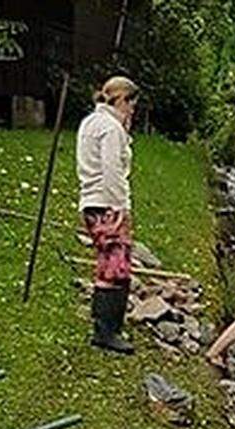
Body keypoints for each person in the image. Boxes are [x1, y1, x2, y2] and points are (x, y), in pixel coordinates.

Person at [77, 75, 140, 354]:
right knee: (114, 268)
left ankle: (108, 328)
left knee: (109, 263)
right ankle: (106, 331)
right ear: (122, 100)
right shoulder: (110, 128)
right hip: (107, 202)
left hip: (91, 200)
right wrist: (119, 208)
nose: (132, 111)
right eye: (132, 105)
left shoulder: (91, 122)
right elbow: (112, 168)